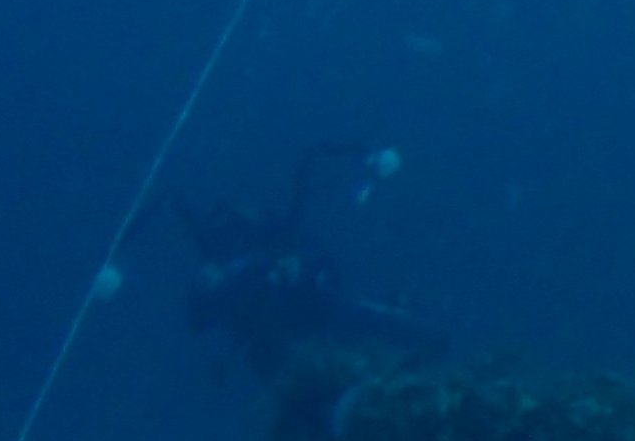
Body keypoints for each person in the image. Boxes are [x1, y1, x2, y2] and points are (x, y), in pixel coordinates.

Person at [164, 141, 441, 371]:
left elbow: (321, 262)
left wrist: (299, 267)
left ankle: (418, 336)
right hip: (279, 340)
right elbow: (198, 323)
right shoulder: (222, 270)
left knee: (379, 326)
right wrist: (205, 288)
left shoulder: (278, 239)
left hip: (320, 312)